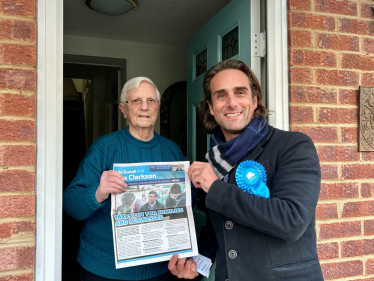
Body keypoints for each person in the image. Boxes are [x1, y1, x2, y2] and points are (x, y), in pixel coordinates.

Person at [169, 59, 323, 280]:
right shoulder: (213, 160)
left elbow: (292, 220)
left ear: (254, 100)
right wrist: (198, 264)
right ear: (211, 108)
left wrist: (215, 188)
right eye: (221, 95)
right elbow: (220, 228)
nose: (232, 103)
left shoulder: (293, 145)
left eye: (240, 93)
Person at [63, 77, 197, 281]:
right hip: (105, 270)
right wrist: (98, 193)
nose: (145, 107)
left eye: (151, 101)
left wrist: (189, 194)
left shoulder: (171, 150)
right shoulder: (104, 148)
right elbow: (71, 205)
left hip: (159, 268)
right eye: (136, 101)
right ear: (123, 109)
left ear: (158, 107)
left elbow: (188, 203)